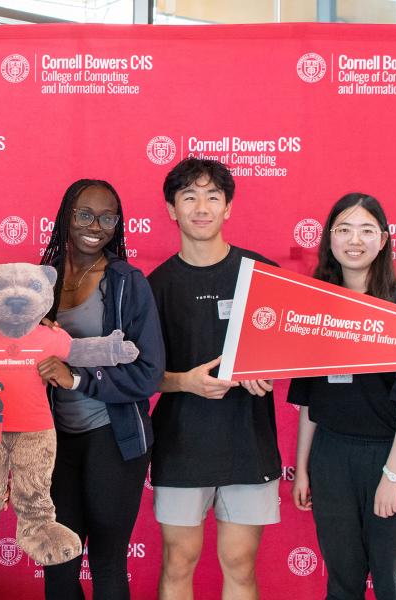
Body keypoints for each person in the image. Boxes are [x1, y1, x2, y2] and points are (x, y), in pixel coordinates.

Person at [288, 193, 396, 600]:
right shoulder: (315, 305)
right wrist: (303, 467)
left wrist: (392, 477)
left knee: (394, 584)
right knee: (341, 583)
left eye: (367, 230)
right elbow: (309, 401)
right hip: (333, 456)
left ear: (384, 239)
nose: (355, 240)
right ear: (329, 239)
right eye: (344, 229)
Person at [147, 157, 280, 600]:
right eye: (189, 197)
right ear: (172, 209)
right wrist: (184, 381)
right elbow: (140, 376)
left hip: (248, 442)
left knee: (240, 564)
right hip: (181, 445)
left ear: (228, 208)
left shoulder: (262, 274)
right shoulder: (155, 285)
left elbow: (290, 354)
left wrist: (268, 372)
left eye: (212, 197)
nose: (201, 207)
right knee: (178, 561)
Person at [37, 179, 164, 600]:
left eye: (108, 217)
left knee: (108, 563)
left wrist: (77, 378)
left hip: (114, 435)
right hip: (53, 443)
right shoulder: (41, 283)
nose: (97, 225)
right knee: (58, 564)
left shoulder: (128, 282)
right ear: (65, 218)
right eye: (85, 215)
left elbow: (148, 372)